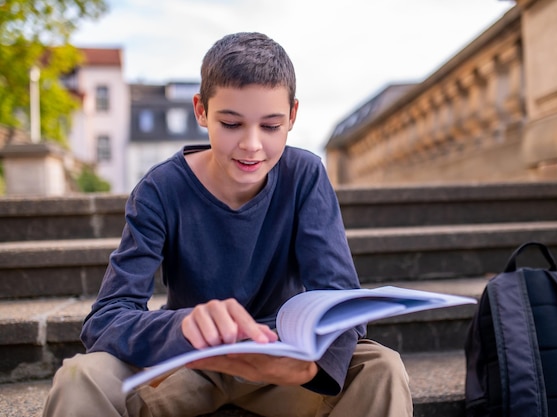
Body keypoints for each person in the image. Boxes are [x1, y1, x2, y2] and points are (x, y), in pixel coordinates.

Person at [42, 32, 412, 417]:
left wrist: (310, 364)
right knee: (80, 377)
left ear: (293, 116)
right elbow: (106, 319)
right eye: (232, 123)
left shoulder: (305, 175)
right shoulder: (160, 188)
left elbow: (340, 300)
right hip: (188, 361)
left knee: (381, 368)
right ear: (201, 111)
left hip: (283, 369)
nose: (252, 145)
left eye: (271, 126)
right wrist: (183, 326)